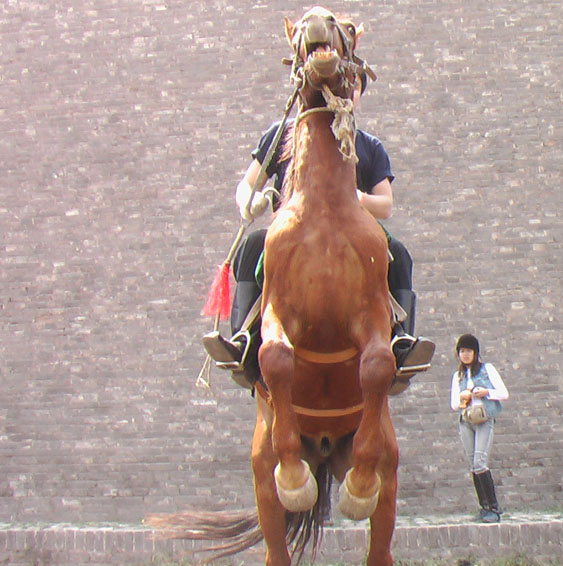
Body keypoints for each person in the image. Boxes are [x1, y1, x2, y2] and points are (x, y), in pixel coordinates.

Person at [203, 73, 434, 392]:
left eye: (354, 86)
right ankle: (244, 340)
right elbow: (248, 182)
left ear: (357, 96)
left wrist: (359, 198)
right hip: (292, 233)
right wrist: (250, 201)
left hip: (353, 234)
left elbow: (386, 205)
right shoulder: (281, 136)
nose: (347, 91)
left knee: (401, 255)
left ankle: (400, 342)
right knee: (252, 246)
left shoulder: (368, 146)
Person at [450, 333, 509, 523]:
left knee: (480, 462)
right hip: (466, 420)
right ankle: (484, 507)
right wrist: (463, 397)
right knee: (472, 464)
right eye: (462, 351)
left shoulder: (487, 369)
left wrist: (486, 392)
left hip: (484, 419)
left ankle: (494, 507)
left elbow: (504, 393)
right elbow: (453, 404)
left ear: (476, 353)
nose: (465, 355)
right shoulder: (458, 376)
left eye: (469, 351)